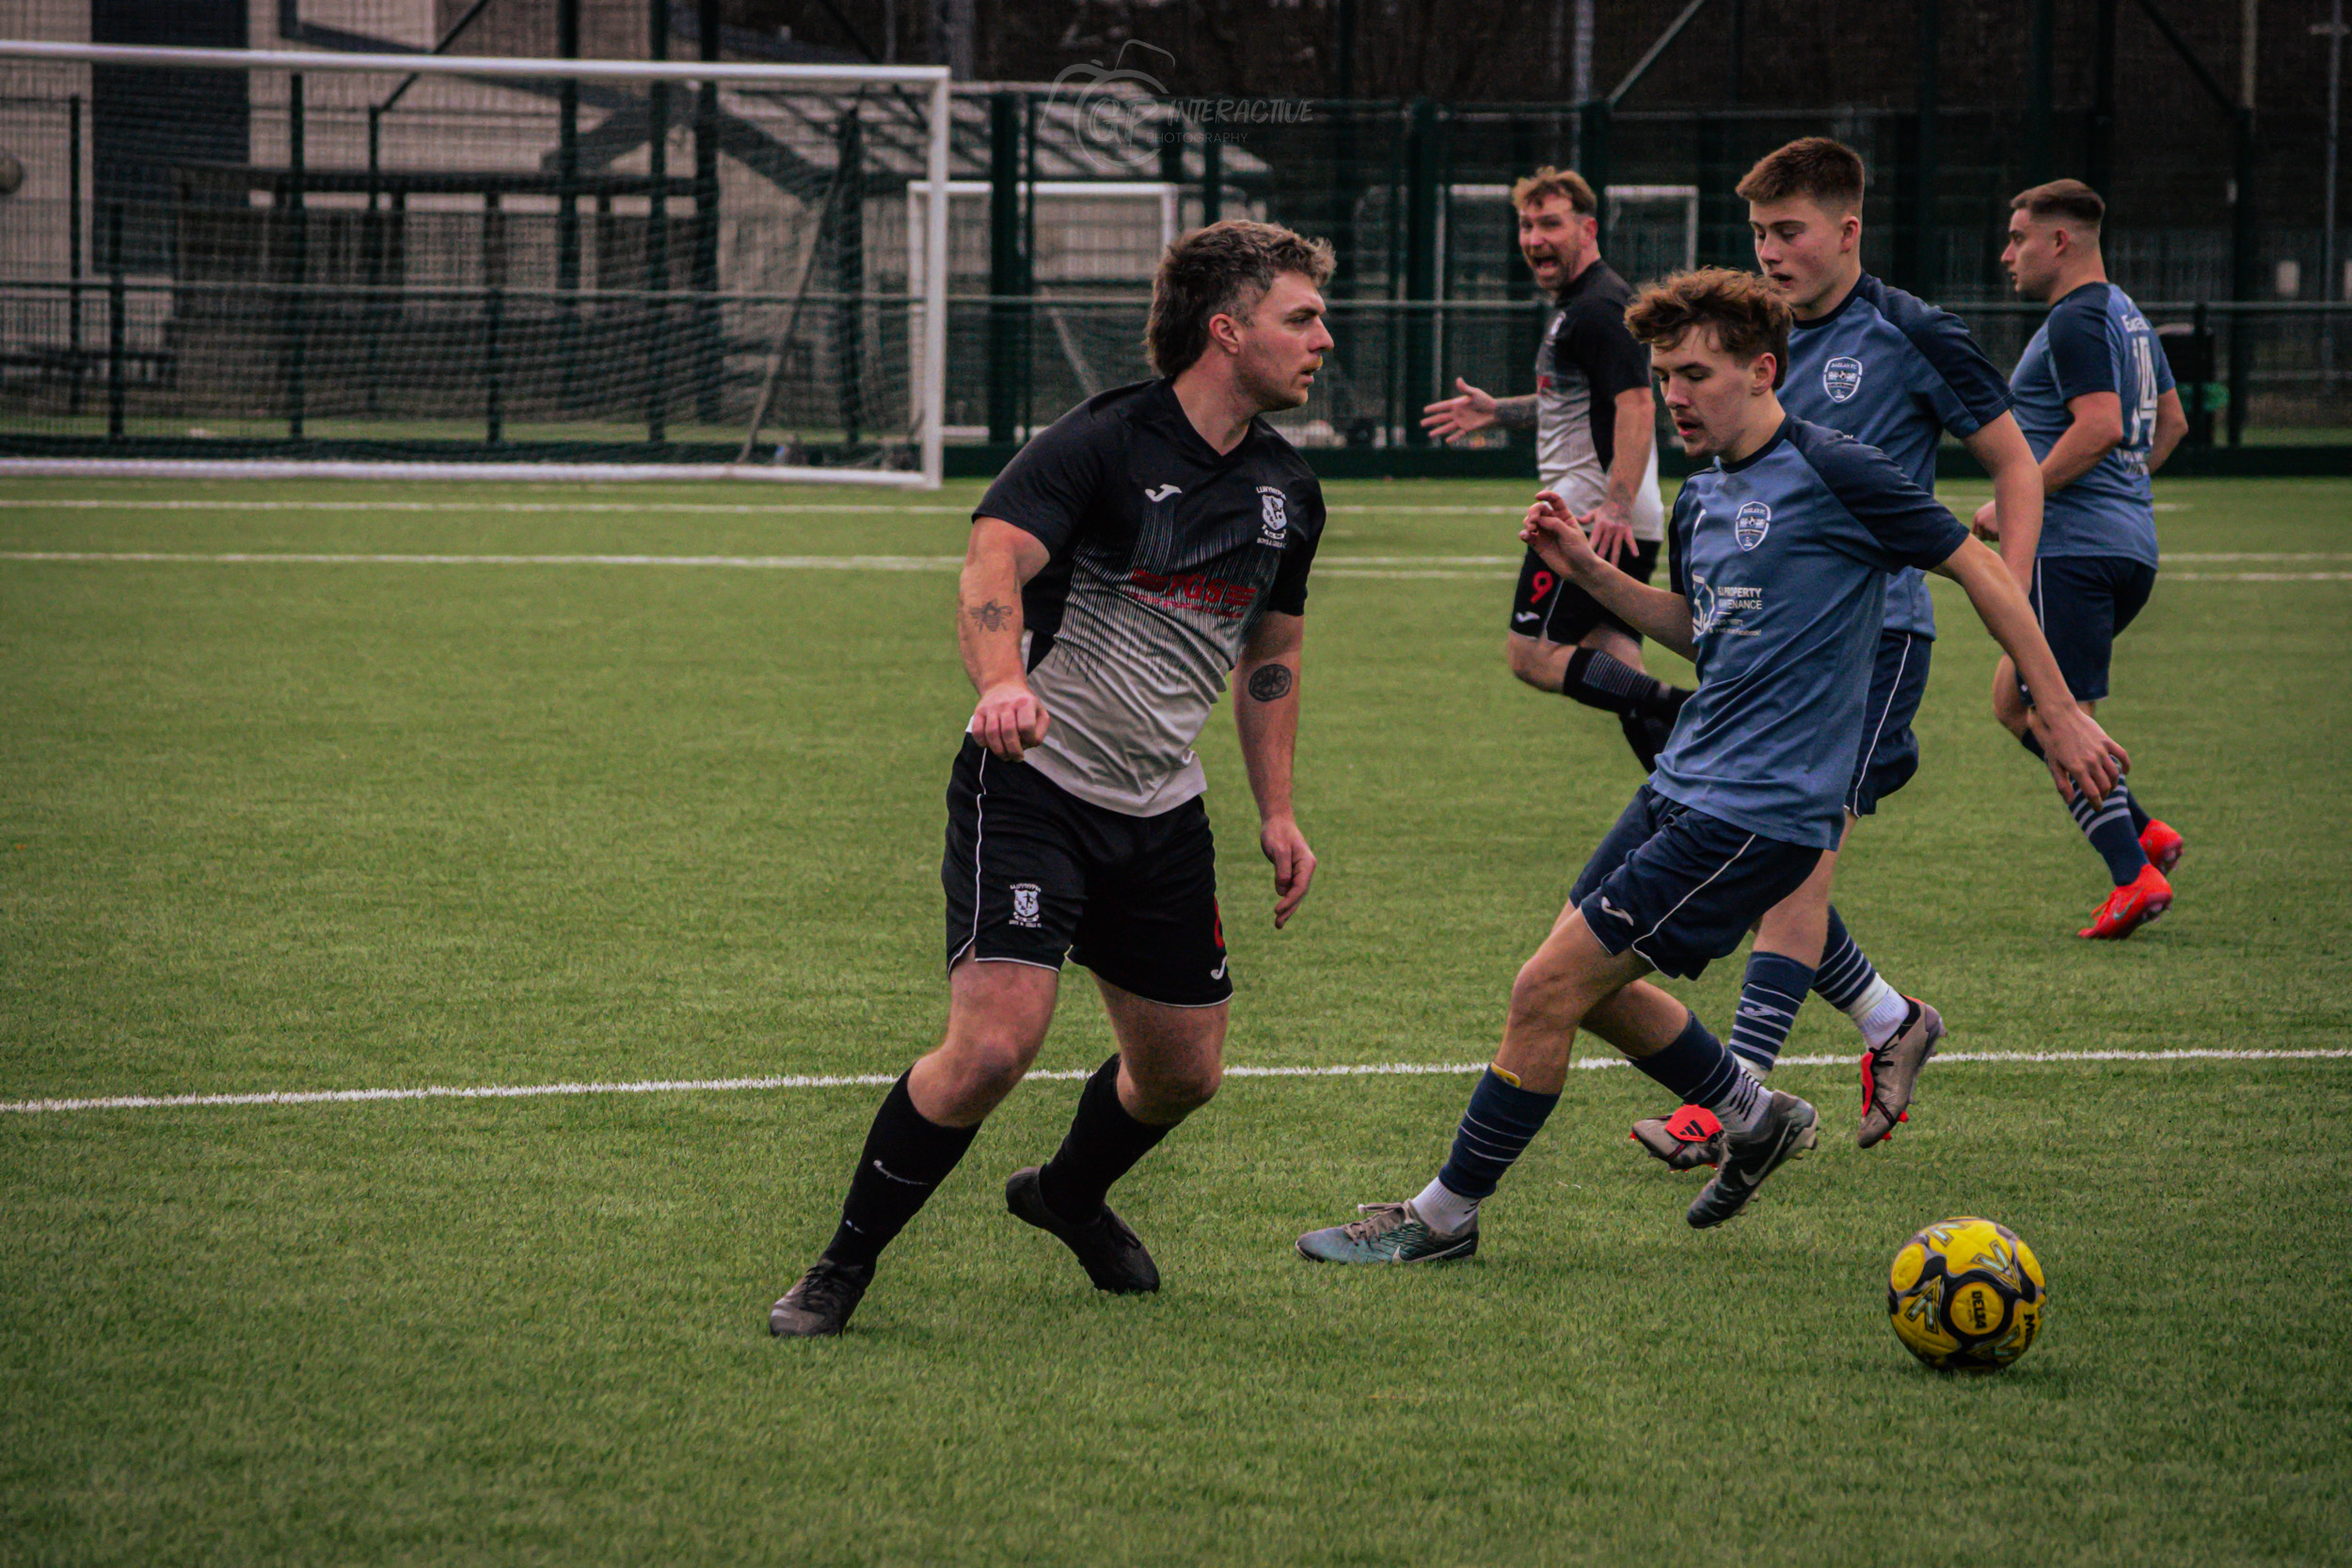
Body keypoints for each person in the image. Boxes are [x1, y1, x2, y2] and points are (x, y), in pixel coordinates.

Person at [1295, 268, 2122, 1259]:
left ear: (1762, 370)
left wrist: (2059, 707)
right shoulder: (1702, 498)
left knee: (1543, 990)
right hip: (1679, 784)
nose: (1674, 394)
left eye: (1693, 373)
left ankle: (1440, 1218)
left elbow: (1975, 562)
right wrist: (1588, 571)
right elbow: (1703, 631)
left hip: (1758, 813)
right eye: (1660, 374)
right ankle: (1752, 1111)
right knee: (1587, 988)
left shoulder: (1835, 467)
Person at [770, 220, 1334, 1337]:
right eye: (1301, 316)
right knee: (990, 1046)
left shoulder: (1288, 491)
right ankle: (839, 1266)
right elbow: (993, 561)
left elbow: (1270, 653)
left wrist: (1275, 809)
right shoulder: (1103, 440)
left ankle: (1067, 1192)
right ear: (1227, 331)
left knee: (1184, 1072)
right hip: (1030, 785)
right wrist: (1000, 679)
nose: (1324, 336)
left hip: (1161, 810)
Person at [1630, 137, 2051, 1171]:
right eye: (1759, 233)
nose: (1770, 252)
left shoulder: (1910, 333)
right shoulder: (1750, 342)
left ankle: (1728, 1102)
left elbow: (2013, 463)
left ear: (1847, 231)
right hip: (1760, 644)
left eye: (1789, 231)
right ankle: (1888, 1015)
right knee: (1754, 850)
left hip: (1877, 638)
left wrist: (2017, 604)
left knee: (1796, 865)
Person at [1420, 166, 1687, 769]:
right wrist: (1500, 412)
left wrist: (1613, 506)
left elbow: (1639, 404)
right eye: (1527, 225)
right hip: (1609, 512)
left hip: (1591, 514)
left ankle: (1690, 709)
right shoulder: (1582, 306)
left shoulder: (1598, 306)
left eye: (1550, 224)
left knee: (1532, 655)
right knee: (1612, 658)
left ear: (1587, 229)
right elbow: (1580, 400)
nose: (1536, 239)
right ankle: (1688, 799)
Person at [1989, 179, 2189, 939]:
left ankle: (2130, 877)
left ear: (2059, 242)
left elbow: (2101, 425)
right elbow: (2167, 424)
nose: (2009, 254)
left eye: (2018, 238)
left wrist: (2019, 499)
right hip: (2127, 545)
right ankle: (2143, 833)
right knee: (2014, 701)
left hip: (2073, 550)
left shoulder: (2074, 318)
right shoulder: (2128, 314)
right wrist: (2121, 498)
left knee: (2057, 713)